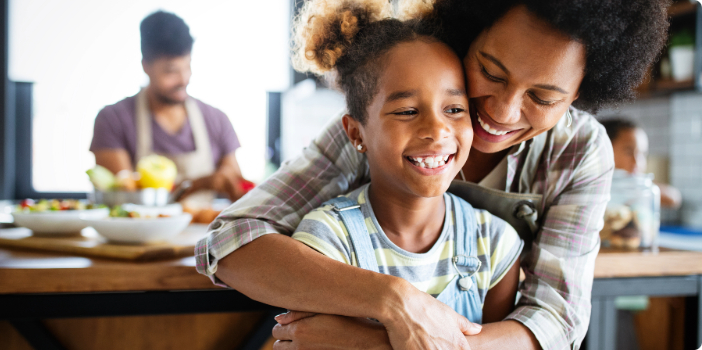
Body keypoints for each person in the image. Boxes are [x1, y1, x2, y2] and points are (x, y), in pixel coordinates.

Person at [194, 0, 670, 349]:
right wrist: (395, 301)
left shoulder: (579, 150)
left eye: (543, 98)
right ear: (470, 34)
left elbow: (556, 320)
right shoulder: (391, 118)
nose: (502, 112)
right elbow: (231, 242)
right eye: (491, 71)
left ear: (579, 96)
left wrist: (379, 344)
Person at [288, 0, 524, 328]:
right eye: (407, 111)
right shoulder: (327, 240)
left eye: (454, 109)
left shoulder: (495, 243)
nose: (437, 130)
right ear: (357, 133)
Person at [89, 11, 246, 201]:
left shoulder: (216, 120)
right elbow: (124, 197)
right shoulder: (113, 120)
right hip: (143, 231)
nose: (183, 79)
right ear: (145, 66)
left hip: (206, 230)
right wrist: (199, 184)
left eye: (187, 67)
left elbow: (237, 187)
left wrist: (230, 181)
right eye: (171, 71)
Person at [600, 117, 682, 208]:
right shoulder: (598, 186)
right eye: (628, 152)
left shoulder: (641, 186)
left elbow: (673, 198)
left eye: (642, 153)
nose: (636, 161)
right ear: (605, 150)